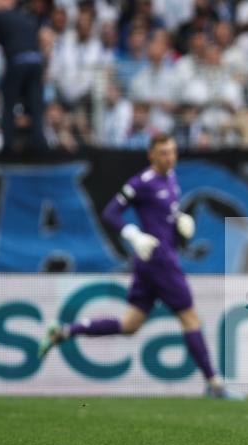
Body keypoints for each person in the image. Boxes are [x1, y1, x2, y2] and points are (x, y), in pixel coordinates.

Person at [38, 134, 227, 398]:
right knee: (190, 318)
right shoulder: (142, 182)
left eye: (172, 151)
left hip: (151, 261)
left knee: (129, 324)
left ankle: (64, 330)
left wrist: (179, 222)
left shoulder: (170, 178)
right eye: (163, 152)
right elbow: (110, 212)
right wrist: (133, 234)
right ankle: (214, 383)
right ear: (151, 155)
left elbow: (162, 218)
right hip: (160, 261)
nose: (169, 157)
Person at [0, 0, 46, 153]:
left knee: (8, 104)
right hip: (36, 62)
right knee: (35, 107)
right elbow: (39, 42)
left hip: (18, 62)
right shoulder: (27, 17)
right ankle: (39, 144)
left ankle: (7, 146)